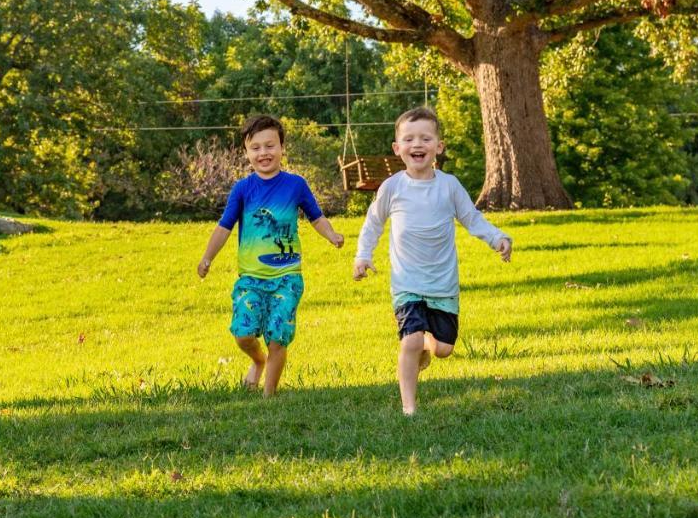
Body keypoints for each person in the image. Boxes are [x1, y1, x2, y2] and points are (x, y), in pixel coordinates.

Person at [353, 106, 512, 415]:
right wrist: (362, 256)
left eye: (425, 138)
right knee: (410, 341)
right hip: (407, 283)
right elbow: (373, 224)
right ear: (397, 149)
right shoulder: (392, 187)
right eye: (409, 139)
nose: (417, 145)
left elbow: (471, 218)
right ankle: (409, 408)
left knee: (443, 349)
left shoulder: (449, 185)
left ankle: (428, 345)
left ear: (438, 147)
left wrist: (497, 238)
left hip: (443, 284)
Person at [198, 114, 344, 395]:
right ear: (246, 152)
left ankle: (269, 395)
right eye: (256, 147)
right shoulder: (242, 189)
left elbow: (316, 217)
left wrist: (332, 235)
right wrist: (207, 258)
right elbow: (224, 227)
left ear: (281, 148)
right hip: (251, 278)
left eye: (270, 146)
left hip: (287, 277)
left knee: (278, 337)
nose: (263, 153)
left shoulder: (296, 185)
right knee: (243, 334)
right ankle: (258, 360)